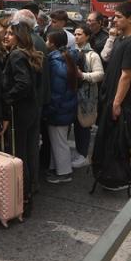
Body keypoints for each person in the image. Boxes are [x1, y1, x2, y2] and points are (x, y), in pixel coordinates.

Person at [97, 1, 131, 183]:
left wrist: (117, 103)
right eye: (114, 16)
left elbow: (126, 76)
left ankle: (122, 176)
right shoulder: (120, 39)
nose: (114, 20)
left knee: (123, 142)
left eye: (118, 17)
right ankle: (109, 175)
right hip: (110, 98)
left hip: (123, 104)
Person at [1, 20, 43, 211]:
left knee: (19, 155)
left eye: (10, 33)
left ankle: (23, 199)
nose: (6, 36)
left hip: (20, 112)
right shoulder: (27, 54)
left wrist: (6, 98)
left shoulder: (17, 55)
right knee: (26, 153)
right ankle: (26, 194)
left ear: (20, 37)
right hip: (31, 110)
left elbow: (23, 84)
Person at [43, 29, 79, 183]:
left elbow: (56, 93)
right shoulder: (68, 56)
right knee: (58, 141)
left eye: (47, 40)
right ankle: (56, 168)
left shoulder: (56, 63)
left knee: (60, 143)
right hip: (66, 107)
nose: (45, 43)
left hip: (59, 110)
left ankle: (64, 173)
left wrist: (49, 110)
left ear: (52, 43)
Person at [72, 24, 104, 167]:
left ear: (87, 36)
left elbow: (100, 74)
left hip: (87, 97)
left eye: (79, 34)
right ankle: (78, 152)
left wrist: (83, 75)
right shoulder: (71, 51)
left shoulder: (92, 55)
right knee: (75, 125)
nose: (76, 36)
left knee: (83, 125)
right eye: (75, 34)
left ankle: (83, 155)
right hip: (72, 95)